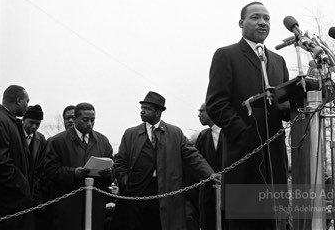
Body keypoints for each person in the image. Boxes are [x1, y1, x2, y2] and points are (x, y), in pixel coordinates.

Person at [205, 1, 290, 230]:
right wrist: (243, 133)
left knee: (274, 222)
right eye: (255, 17)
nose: (262, 22)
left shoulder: (278, 61)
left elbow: (283, 105)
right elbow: (216, 103)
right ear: (241, 23)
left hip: (275, 157)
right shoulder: (227, 55)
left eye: (267, 18)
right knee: (244, 223)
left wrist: (298, 102)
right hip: (243, 157)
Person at [111, 91, 217, 230]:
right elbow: (120, 162)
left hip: (165, 192)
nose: (142, 112)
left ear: (158, 112)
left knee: (161, 224)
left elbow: (193, 156)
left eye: (147, 109)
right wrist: (125, 182)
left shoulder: (175, 133)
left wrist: (210, 175)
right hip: (136, 193)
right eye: (142, 108)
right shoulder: (130, 133)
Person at [44, 102, 113, 230]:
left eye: (92, 120)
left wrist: (108, 173)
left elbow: (113, 167)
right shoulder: (57, 141)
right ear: (75, 119)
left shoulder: (103, 141)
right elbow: (49, 170)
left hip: (95, 203)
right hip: (68, 204)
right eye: (85, 120)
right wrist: (73, 173)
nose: (90, 124)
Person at [0, 85, 34, 230]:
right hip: (7, 202)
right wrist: (22, 185)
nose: (28, 105)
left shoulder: (10, 120)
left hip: (14, 202)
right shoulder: (2, 120)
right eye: (27, 101)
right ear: (19, 100)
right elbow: (2, 163)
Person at [195, 102, 224, 230]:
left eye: (201, 111)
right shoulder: (203, 136)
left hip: (229, 190)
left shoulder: (229, 133)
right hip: (207, 192)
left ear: (211, 111)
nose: (198, 115)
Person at [22, 104, 48, 229]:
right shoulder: (14, 134)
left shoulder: (41, 139)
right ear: (23, 120)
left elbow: (40, 170)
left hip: (33, 192)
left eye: (37, 124)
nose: (34, 127)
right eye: (31, 122)